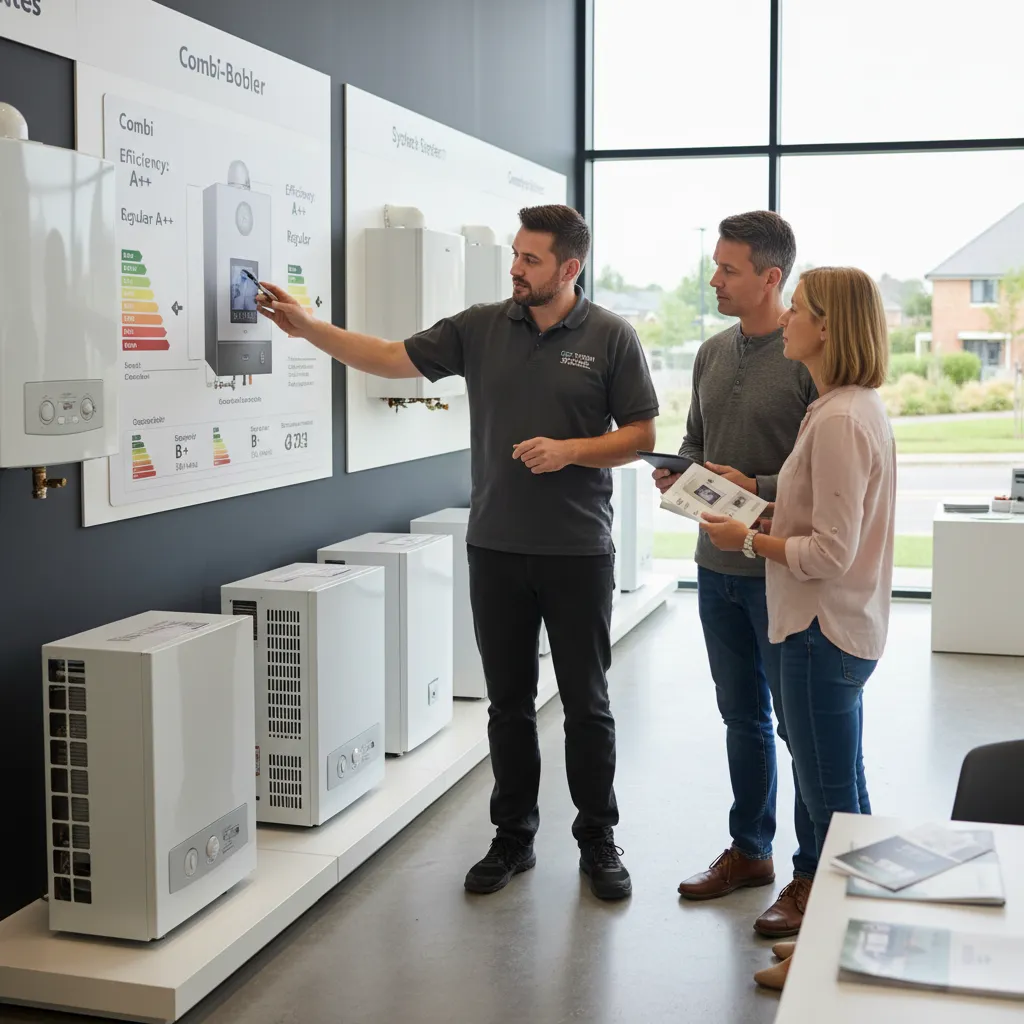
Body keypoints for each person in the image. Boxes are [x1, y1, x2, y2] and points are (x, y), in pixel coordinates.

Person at [257, 205, 658, 901]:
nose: (515, 268)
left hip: (577, 552)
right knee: (507, 705)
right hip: (496, 547)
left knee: (588, 706)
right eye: (515, 254)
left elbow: (642, 435)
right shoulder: (479, 326)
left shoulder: (610, 336)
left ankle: (598, 837)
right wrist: (307, 328)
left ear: (570, 268)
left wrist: (570, 451)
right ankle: (513, 837)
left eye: (531, 260)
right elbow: (388, 358)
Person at [700, 265, 896, 989]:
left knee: (834, 806)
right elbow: (822, 513)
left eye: (801, 311)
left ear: (828, 328)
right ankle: (841, 936)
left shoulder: (842, 416)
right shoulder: (843, 406)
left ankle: (844, 952)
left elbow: (829, 552)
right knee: (840, 791)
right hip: (833, 629)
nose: (788, 319)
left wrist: (746, 540)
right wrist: (759, 499)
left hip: (822, 631)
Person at [654, 211, 819, 939]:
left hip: (778, 571)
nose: (714, 279)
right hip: (714, 568)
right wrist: (680, 476)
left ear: (771, 277)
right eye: (716, 266)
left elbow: (818, 474)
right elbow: (696, 442)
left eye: (728, 269)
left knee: (801, 729)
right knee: (742, 718)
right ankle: (751, 852)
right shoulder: (711, 352)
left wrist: (747, 481)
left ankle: (812, 873)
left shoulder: (812, 357)